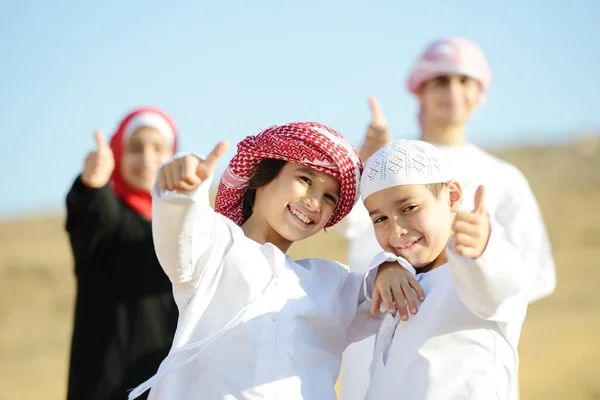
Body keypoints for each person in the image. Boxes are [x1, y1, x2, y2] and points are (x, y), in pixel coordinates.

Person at [127, 122, 425, 400]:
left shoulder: (328, 281)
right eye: (305, 180)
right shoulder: (216, 248)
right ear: (262, 176)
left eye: (329, 198)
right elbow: (181, 231)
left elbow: (382, 294)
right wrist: (181, 188)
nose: (314, 202)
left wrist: (388, 265)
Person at [336, 36, 556, 400]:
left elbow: (526, 275)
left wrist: (479, 259)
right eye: (440, 79)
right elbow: (351, 230)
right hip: (377, 345)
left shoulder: (503, 177)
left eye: (464, 79)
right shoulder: (384, 166)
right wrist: (388, 266)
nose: (452, 90)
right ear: (419, 90)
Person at [361, 139, 529, 399]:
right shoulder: (395, 279)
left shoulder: (474, 274)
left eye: (409, 208)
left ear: (452, 197)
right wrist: (385, 265)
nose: (397, 230)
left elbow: (500, 284)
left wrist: (484, 248)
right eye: (380, 219)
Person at [65, 107, 180, 400]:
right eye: (135, 148)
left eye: (158, 148)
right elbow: (91, 215)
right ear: (118, 152)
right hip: (103, 385)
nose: (147, 159)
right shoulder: (109, 218)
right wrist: (93, 184)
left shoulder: (182, 226)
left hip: (168, 385)